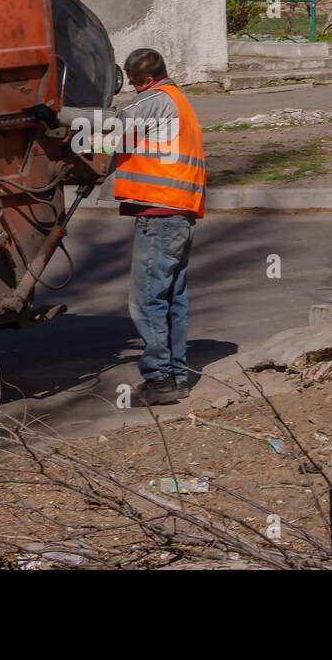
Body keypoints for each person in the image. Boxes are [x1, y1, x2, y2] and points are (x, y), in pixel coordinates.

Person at [111, 48, 206, 406]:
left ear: (146, 80)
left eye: (133, 83)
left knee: (147, 299)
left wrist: (56, 115)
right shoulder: (177, 101)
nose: (132, 89)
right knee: (172, 299)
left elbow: (108, 122)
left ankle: (160, 379)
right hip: (179, 213)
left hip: (161, 215)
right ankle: (176, 376)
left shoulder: (154, 99)